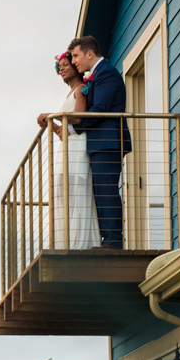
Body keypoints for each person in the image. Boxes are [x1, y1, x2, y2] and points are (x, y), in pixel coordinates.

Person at [68, 36, 130, 249]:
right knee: (100, 190)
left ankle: (113, 240)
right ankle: (108, 238)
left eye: (76, 56)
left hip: (108, 141)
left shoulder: (106, 74)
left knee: (106, 190)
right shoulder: (96, 75)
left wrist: (74, 127)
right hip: (100, 142)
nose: (74, 60)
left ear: (89, 53)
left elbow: (100, 109)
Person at [37, 53, 99, 250]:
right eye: (60, 66)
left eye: (66, 65)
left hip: (79, 146)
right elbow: (63, 130)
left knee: (76, 188)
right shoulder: (69, 93)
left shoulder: (81, 89)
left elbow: (79, 117)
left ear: (75, 66)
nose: (62, 68)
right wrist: (51, 123)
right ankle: (67, 241)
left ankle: (80, 244)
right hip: (68, 145)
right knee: (66, 190)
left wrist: (51, 114)